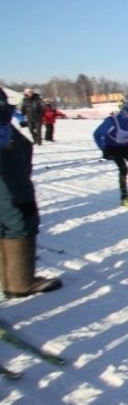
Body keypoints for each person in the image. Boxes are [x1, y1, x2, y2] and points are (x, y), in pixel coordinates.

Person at [0, 87, 63, 298]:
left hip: (13, 176)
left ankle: (13, 280)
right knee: (19, 222)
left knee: (10, 224)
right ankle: (20, 282)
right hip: (10, 183)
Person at [93, 102, 128, 207]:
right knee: (123, 169)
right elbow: (97, 134)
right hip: (113, 147)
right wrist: (104, 149)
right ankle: (124, 196)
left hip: (126, 146)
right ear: (124, 112)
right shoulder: (112, 120)